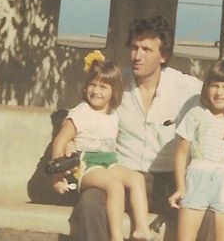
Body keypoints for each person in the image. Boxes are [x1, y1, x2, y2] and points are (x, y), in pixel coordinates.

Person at [68, 16, 224, 241]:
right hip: (124, 176)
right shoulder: (115, 83)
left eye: (146, 49)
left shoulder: (185, 87)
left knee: (211, 218)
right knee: (90, 204)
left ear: (163, 55)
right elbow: (85, 112)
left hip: (169, 181)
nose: (137, 56)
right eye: (134, 48)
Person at [51, 51, 155, 241]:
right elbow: (60, 140)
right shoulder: (81, 112)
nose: (96, 91)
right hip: (85, 164)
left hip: (108, 162)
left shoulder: (113, 112)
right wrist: (57, 177)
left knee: (137, 178)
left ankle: (141, 229)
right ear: (85, 87)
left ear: (114, 92)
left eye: (103, 87)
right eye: (93, 84)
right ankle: (116, 237)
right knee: (114, 186)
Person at [168, 59, 224, 241]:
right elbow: (181, 153)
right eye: (215, 86)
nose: (219, 92)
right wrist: (181, 187)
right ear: (207, 87)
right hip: (197, 181)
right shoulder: (196, 114)